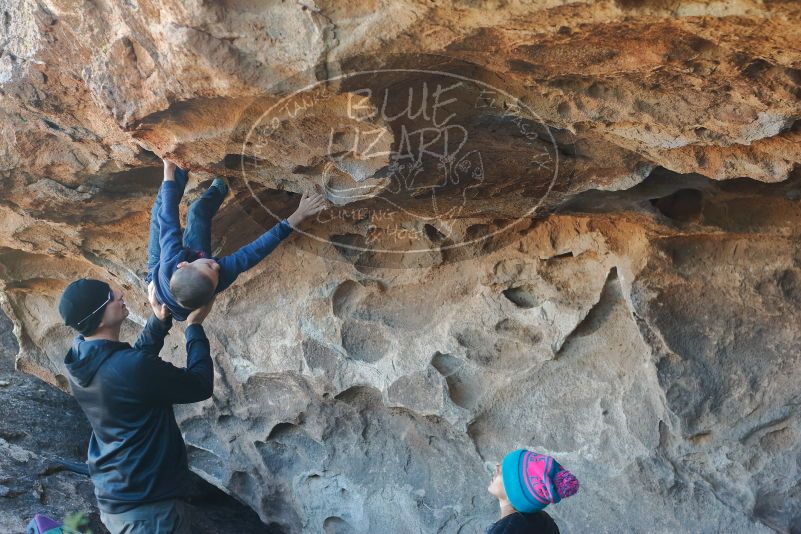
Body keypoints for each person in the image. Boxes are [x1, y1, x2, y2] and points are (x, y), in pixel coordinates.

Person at [60, 277, 215, 533]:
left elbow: (128, 367)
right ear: (99, 318)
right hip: (149, 512)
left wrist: (159, 320)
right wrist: (194, 327)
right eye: (110, 296)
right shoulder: (128, 367)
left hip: (120, 497)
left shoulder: (79, 356)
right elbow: (199, 384)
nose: (119, 294)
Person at [147, 158, 326, 320]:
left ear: (183, 264)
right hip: (184, 284)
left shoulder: (170, 259)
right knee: (196, 213)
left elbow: (167, 217)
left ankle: (181, 169)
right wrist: (298, 216)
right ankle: (216, 186)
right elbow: (255, 251)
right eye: (215, 272)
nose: (217, 264)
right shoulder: (218, 277)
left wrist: (168, 168)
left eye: (210, 265)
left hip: (157, 272)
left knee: (169, 213)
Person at [486, 449, 580, 533]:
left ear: (514, 493)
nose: (496, 467)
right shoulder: (545, 522)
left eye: (502, 471)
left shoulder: (505, 531)